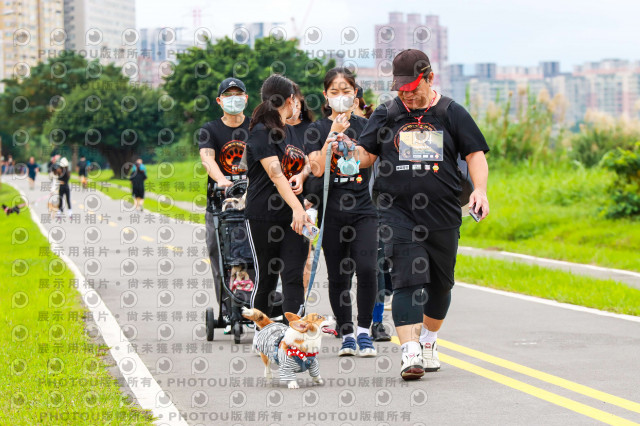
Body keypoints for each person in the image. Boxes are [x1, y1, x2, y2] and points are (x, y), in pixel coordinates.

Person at [347, 49, 490, 380]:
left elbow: (475, 155)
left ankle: (428, 340)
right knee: (406, 278)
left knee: (441, 285)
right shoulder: (386, 114)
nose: (407, 95)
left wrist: (480, 190)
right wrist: (350, 153)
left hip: (443, 212)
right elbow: (366, 155)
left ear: (430, 78)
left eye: (413, 88)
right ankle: (410, 351)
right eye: (401, 90)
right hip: (396, 211)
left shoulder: (451, 112)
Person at [305, 67, 378, 357]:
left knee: (368, 268)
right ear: (326, 96)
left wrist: (349, 144)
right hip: (332, 210)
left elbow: (369, 158)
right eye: (334, 92)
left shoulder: (366, 126)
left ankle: (364, 331)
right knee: (338, 275)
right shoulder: (316, 129)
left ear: (355, 93)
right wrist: (333, 134)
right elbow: (317, 168)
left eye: (346, 91)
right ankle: (346, 333)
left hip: (364, 209)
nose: (340, 96)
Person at [244, 74, 312, 319]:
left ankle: (292, 333)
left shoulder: (291, 132)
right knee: (267, 277)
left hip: (293, 217)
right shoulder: (260, 133)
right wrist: (298, 209)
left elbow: (306, 162)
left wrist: (302, 175)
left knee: (293, 275)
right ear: (291, 100)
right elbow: (276, 174)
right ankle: (262, 332)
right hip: (263, 216)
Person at [198, 77, 251, 324]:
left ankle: (255, 303)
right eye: (228, 95)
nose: (233, 99)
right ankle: (227, 309)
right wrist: (221, 180)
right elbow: (207, 159)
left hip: (252, 203)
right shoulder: (210, 129)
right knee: (219, 254)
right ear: (219, 101)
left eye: (238, 94)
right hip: (219, 204)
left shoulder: (256, 127)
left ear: (246, 98)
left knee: (252, 255)